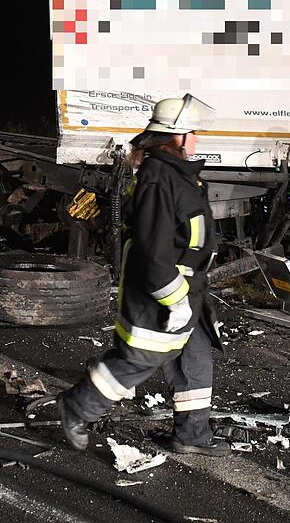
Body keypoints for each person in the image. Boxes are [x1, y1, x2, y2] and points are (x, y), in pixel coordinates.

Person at [58, 93, 230, 456]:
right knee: (141, 358)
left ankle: (192, 436)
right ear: (175, 137)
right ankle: (77, 406)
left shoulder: (178, 176)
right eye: (192, 132)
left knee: (195, 357)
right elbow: (154, 252)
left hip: (188, 288)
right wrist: (175, 299)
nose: (197, 138)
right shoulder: (158, 179)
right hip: (163, 289)